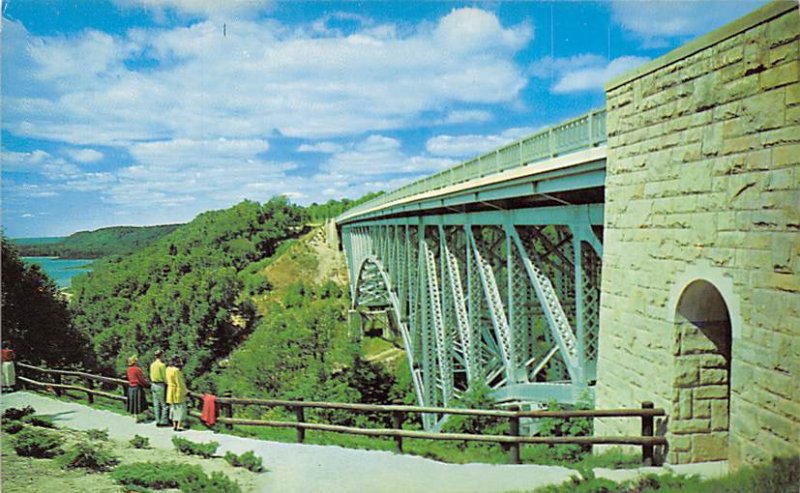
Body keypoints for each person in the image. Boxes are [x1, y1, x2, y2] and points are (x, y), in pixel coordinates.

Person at [166, 355, 188, 431]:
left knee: (173, 408)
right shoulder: (176, 371)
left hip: (170, 389)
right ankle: (178, 425)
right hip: (177, 391)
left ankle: (173, 425)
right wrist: (185, 391)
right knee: (179, 408)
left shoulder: (168, 369)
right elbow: (180, 383)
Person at [126, 355, 150, 423]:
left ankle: (136, 417)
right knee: (142, 401)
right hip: (137, 387)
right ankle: (147, 414)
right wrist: (146, 384)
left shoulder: (128, 369)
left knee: (134, 402)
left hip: (131, 387)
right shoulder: (137, 369)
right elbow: (141, 379)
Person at [149, 349, 170, 427]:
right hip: (160, 385)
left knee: (156, 404)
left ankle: (157, 420)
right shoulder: (162, 365)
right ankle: (163, 421)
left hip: (153, 384)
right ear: (161, 355)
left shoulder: (152, 365)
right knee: (164, 404)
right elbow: (165, 376)